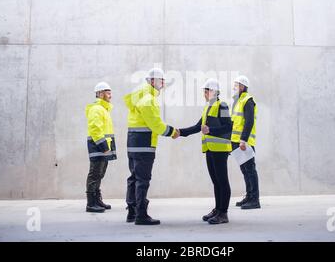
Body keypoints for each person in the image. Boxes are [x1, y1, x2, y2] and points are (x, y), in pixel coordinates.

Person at [124, 68, 180, 225]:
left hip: (133, 144)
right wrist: (172, 132)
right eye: (161, 80)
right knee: (143, 180)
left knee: (134, 177)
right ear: (153, 81)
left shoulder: (139, 97)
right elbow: (156, 124)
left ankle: (132, 212)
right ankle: (141, 215)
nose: (163, 84)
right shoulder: (148, 99)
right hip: (144, 145)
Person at [178, 78, 232, 224]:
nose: (204, 93)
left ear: (213, 91)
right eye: (204, 91)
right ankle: (217, 209)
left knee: (222, 181)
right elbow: (198, 127)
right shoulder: (208, 107)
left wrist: (211, 130)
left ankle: (223, 213)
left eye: (206, 91)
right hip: (209, 149)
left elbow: (229, 126)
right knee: (216, 181)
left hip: (220, 149)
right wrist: (179, 132)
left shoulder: (222, 106)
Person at [85, 82, 117, 213]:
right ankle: (91, 203)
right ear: (99, 94)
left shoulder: (104, 109)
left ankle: (97, 200)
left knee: (100, 174)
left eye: (110, 92)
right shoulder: (96, 109)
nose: (110, 95)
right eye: (107, 92)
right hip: (98, 146)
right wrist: (103, 145)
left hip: (103, 146)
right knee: (95, 174)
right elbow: (95, 128)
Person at [231, 75, 261, 209]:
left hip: (244, 142)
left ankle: (255, 200)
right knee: (245, 170)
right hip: (237, 142)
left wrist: (243, 140)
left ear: (242, 87)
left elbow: (249, 122)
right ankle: (249, 196)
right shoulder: (238, 101)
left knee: (250, 170)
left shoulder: (248, 101)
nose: (234, 87)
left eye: (236, 85)